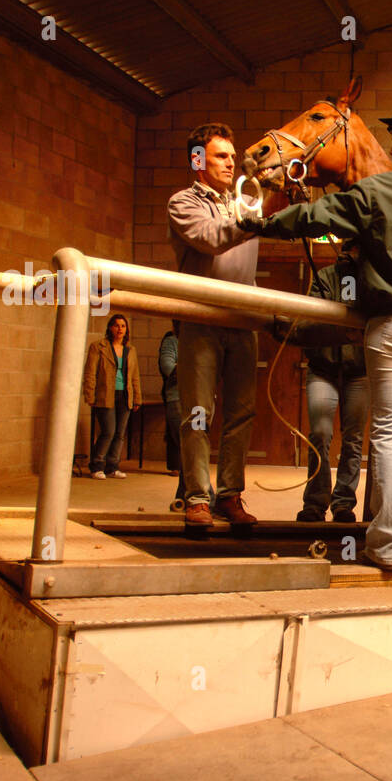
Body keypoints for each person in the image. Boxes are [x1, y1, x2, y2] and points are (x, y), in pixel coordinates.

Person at [241, 103, 392, 570]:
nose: (389, 147)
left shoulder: (384, 187)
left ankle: (388, 547)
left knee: (388, 433)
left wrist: (262, 224)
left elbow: (318, 216)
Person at [168, 122, 260, 528]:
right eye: (221, 156)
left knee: (241, 413)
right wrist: (258, 217)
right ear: (197, 160)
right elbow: (210, 238)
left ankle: (229, 495)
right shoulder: (182, 203)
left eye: (231, 155)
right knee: (199, 413)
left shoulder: (245, 202)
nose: (231, 162)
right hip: (201, 319)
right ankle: (196, 497)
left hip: (243, 319)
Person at [296, 264, 369, 524]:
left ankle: (343, 503)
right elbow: (309, 317)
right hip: (322, 368)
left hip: (359, 372)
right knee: (320, 433)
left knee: (353, 439)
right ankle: (315, 503)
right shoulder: (323, 277)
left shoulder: (370, 276)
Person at [82, 313, 141, 479]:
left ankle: (112, 466)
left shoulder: (131, 350)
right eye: (116, 325)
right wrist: (90, 395)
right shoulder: (98, 347)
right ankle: (97, 465)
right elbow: (90, 373)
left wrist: (137, 398)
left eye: (123, 326)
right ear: (110, 328)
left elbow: (135, 375)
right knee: (108, 431)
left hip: (125, 394)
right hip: (105, 394)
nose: (120, 329)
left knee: (119, 434)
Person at [159, 320, 187, 507]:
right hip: (177, 399)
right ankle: (196, 492)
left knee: (195, 444)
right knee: (185, 445)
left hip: (199, 402)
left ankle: (186, 493)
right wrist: (196, 365)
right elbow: (168, 367)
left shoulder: (200, 342)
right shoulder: (171, 342)